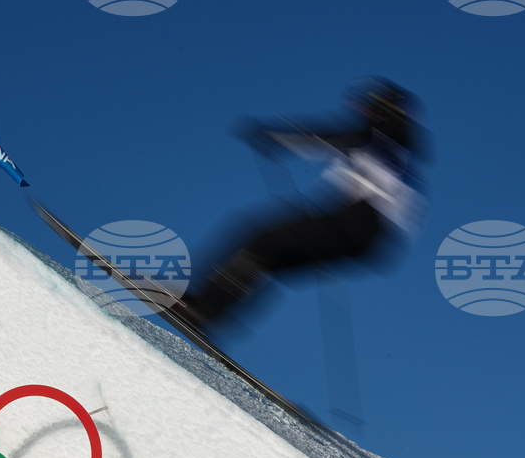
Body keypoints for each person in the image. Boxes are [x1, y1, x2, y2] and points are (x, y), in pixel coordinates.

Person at [178, 76, 430, 333]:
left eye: (366, 106)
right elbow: (329, 140)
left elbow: (327, 135)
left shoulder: (381, 136)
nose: (360, 111)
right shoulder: (386, 145)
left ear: (380, 109)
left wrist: (275, 135)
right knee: (266, 255)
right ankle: (206, 311)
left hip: (359, 221)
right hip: (368, 237)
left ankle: (204, 306)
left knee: (263, 239)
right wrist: (279, 139)